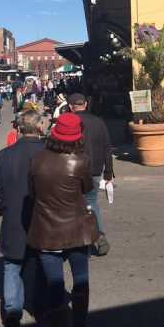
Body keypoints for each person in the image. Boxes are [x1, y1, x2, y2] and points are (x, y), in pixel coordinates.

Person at [27, 113, 98, 327]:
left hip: (47, 232)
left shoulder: (37, 160)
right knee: (81, 283)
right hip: (77, 230)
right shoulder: (81, 162)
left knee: (55, 287)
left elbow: (32, 192)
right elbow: (87, 190)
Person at [0, 111, 45, 327]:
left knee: (12, 267)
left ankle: (13, 310)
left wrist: (5, 209)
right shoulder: (48, 152)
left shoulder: (5, 155)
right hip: (43, 220)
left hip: (14, 221)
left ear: (19, 129)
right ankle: (40, 306)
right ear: (39, 127)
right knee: (41, 264)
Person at [68, 93, 114, 256]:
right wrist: (108, 171)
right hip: (94, 170)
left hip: (73, 170)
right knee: (92, 202)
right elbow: (107, 147)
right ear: (85, 104)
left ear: (70, 106)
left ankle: (78, 241)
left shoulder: (70, 122)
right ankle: (99, 236)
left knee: (72, 205)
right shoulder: (98, 122)